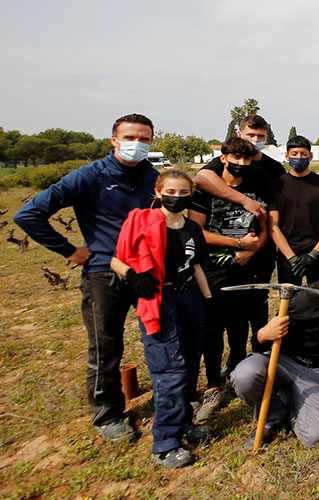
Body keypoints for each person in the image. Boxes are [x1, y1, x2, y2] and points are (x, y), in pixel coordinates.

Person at [14, 113, 159, 443]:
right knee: (105, 346)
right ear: (114, 140)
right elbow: (28, 214)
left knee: (158, 335)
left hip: (146, 273)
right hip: (103, 274)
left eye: (145, 139)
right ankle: (107, 414)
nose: (137, 144)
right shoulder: (90, 176)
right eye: (131, 137)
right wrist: (69, 250)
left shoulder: (153, 177)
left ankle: (169, 398)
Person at [110, 169, 212, 468]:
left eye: (183, 193)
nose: (176, 197)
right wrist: (133, 275)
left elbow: (196, 267)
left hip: (189, 296)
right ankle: (165, 442)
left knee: (192, 360)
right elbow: (116, 259)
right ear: (158, 192)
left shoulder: (192, 228)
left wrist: (207, 300)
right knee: (170, 370)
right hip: (159, 299)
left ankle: (185, 424)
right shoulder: (141, 222)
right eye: (171, 192)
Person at [231, 239, 319, 448]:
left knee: (315, 437)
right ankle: (272, 416)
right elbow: (259, 345)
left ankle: (291, 401)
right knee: (245, 376)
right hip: (282, 361)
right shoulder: (304, 300)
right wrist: (262, 334)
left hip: (316, 372)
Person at [189, 137, 273, 421]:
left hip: (248, 266)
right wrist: (236, 245)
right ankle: (214, 383)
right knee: (214, 328)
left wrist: (253, 249)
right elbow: (197, 232)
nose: (240, 164)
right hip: (214, 269)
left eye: (245, 159)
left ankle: (237, 369)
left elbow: (265, 227)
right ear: (222, 158)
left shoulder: (256, 188)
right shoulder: (204, 192)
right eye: (234, 158)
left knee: (240, 324)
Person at [268, 136, 319, 284]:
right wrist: (291, 257)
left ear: (311, 156)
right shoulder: (277, 186)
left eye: (303, 154)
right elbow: (273, 225)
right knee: (289, 303)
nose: (299, 157)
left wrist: (313, 255)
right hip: (288, 255)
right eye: (294, 154)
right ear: (287, 156)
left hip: (318, 253)